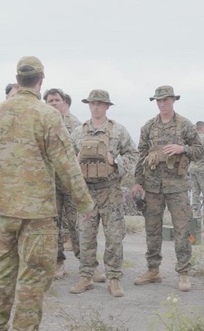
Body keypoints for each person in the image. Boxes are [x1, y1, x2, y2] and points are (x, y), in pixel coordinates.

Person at [0, 56, 94, 330]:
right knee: (32, 282)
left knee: (1, 276)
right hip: (37, 216)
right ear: (41, 81)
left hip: (4, 213)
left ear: (17, 79)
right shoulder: (47, 115)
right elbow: (66, 164)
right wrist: (85, 204)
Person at [69, 89, 139, 297]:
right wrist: (75, 160)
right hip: (86, 192)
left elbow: (133, 155)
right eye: (92, 103)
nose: (96, 107)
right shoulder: (78, 132)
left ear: (107, 106)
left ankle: (114, 277)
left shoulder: (118, 131)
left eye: (100, 103)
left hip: (110, 191)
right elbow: (66, 157)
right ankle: (86, 276)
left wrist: (114, 161)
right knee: (85, 236)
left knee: (114, 236)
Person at [132, 85, 202, 292]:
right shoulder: (149, 127)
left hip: (177, 187)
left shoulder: (184, 125)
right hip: (153, 187)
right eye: (159, 100)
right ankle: (153, 270)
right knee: (152, 230)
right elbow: (141, 155)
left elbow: (200, 151)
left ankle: (183, 273)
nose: (162, 104)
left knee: (182, 230)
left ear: (173, 100)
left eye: (166, 100)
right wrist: (137, 182)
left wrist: (183, 148)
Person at [44, 88, 83, 279]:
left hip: (70, 182)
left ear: (63, 102)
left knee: (77, 224)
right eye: (50, 101)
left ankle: (86, 264)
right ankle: (58, 263)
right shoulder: (41, 123)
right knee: (53, 224)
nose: (53, 103)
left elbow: (81, 152)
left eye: (56, 100)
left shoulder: (75, 124)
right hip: (50, 184)